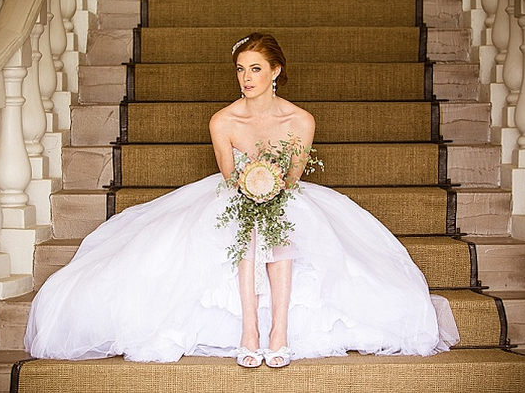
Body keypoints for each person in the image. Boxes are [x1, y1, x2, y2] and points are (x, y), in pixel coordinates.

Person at [24, 33, 459, 369]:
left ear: (275, 71)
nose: (246, 78)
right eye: (239, 69)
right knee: (246, 222)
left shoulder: (300, 120)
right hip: (235, 194)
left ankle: (280, 330)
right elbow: (231, 178)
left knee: (280, 218)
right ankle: (249, 331)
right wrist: (254, 187)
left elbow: (291, 178)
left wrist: (269, 187)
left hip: (284, 195)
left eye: (254, 68)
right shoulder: (223, 120)